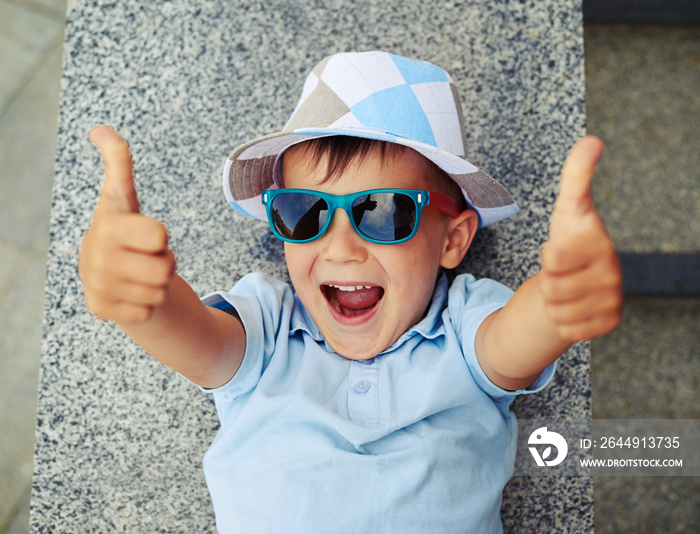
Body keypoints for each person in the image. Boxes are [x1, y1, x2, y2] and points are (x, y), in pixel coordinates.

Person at [79, 51, 622, 532]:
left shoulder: (462, 327)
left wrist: (557, 299)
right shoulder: (267, 325)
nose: (340, 249)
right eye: (304, 212)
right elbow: (194, 338)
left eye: (382, 213)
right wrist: (142, 301)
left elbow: (515, 340)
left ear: (453, 240)